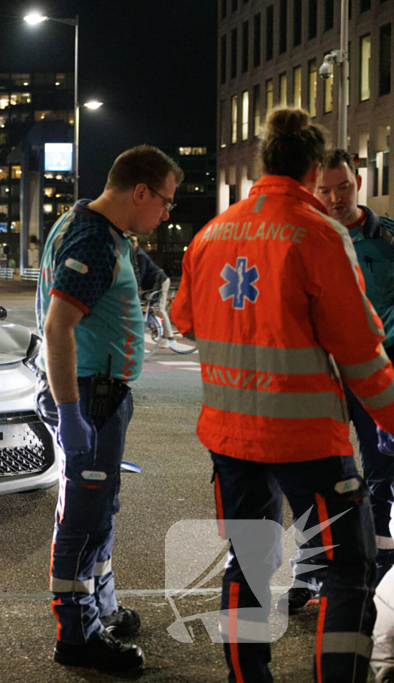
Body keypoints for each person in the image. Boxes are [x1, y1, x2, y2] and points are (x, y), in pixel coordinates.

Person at [171, 109, 394, 682]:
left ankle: (248, 679)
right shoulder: (319, 234)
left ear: (263, 163)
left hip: (230, 437)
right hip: (307, 439)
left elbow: (185, 319)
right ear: (313, 167)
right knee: (350, 567)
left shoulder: (211, 234)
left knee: (246, 563)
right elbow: (362, 354)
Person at [36, 144, 183, 674]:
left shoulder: (92, 228)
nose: (166, 213)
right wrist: (71, 412)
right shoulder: (95, 240)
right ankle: (77, 635)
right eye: (164, 200)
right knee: (82, 517)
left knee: (99, 512)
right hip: (90, 398)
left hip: (100, 397)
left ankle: (99, 608)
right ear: (139, 191)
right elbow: (58, 327)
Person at [280, 149, 394, 615]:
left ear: (359, 180)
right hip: (319, 379)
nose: (334, 198)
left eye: (342, 187)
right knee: (315, 478)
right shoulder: (302, 238)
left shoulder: (388, 238)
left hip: (376, 373)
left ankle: (379, 572)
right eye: (323, 190)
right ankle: (311, 569)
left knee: (381, 474)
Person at [130, 235, 176, 338]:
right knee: (153, 307)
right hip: (154, 282)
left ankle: (170, 338)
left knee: (161, 309)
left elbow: (139, 275)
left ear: (137, 243)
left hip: (161, 281)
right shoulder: (134, 255)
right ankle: (161, 331)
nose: (131, 243)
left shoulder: (140, 256)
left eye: (134, 241)